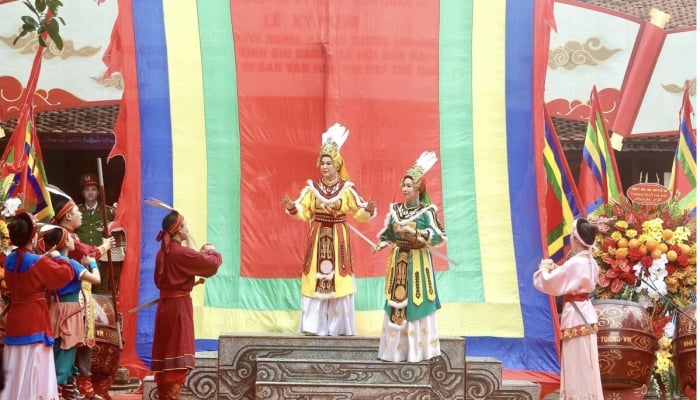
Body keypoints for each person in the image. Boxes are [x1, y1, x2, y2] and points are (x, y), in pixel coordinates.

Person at [281, 123, 376, 336]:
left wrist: (368, 210)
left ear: (337, 164)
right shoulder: (311, 189)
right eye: (322, 163)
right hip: (317, 238)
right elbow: (303, 211)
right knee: (315, 277)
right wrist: (292, 208)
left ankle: (339, 327)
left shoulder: (347, 189)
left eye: (328, 163)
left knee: (339, 278)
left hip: (338, 239)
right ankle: (313, 327)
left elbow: (359, 212)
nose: (324, 166)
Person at [372, 151, 446, 362]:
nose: (405, 189)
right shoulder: (396, 210)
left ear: (418, 189)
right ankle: (394, 350)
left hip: (418, 263)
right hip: (399, 261)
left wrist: (419, 234)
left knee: (415, 302)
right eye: (403, 185)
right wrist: (381, 244)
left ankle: (418, 350)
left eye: (409, 185)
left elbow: (439, 235)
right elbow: (388, 233)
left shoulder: (426, 212)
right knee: (397, 301)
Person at [0, 212, 74, 400]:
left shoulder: (9, 259)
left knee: (15, 366)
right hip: (34, 320)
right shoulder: (37, 261)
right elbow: (64, 275)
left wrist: (45, 260)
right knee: (34, 366)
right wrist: (61, 257)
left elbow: (31, 266)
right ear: (32, 236)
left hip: (15, 320)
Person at [151, 210, 222, 399]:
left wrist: (194, 247)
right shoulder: (180, 253)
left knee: (166, 364)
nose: (187, 228)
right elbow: (210, 265)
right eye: (185, 225)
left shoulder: (162, 253)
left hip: (164, 308)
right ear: (179, 229)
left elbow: (188, 262)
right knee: (176, 363)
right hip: (178, 308)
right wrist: (211, 250)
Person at [533, 218, 604, 399]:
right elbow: (570, 278)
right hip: (586, 311)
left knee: (576, 363)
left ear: (576, 238)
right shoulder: (591, 262)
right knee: (586, 362)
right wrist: (556, 269)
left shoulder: (576, 262)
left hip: (575, 313)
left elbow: (550, 282)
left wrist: (543, 270)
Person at [51, 194, 113, 400]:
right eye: (77, 212)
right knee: (72, 343)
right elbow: (88, 253)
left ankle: (74, 386)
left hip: (77, 298)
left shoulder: (66, 238)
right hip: (72, 302)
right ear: (68, 216)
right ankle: (69, 386)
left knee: (79, 342)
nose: (81, 215)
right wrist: (104, 247)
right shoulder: (63, 238)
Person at [43, 226, 101, 399]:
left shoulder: (51, 262)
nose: (73, 241)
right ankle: (58, 392)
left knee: (58, 352)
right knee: (66, 355)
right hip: (71, 310)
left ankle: (67, 390)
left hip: (55, 309)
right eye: (69, 238)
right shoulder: (71, 264)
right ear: (63, 243)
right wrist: (92, 263)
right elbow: (96, 279)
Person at [75, 173, 118, 295]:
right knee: (82, 294)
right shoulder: (76, 211)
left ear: (98, 192)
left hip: (101, 260)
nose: (90, 192)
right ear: (82, 192)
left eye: (93, 189)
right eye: (87, 189)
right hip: (81, 260)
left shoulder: (108, 211)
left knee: (100, 295)